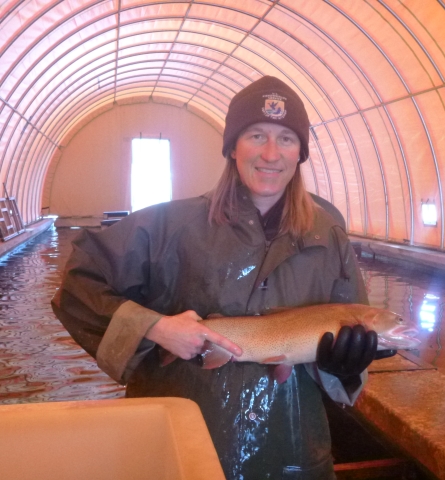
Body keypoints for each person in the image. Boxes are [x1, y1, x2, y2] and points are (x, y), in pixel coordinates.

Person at [52, 76, 390, 479]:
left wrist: (345, 364)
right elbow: (79, 283)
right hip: (189, 435)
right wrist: (155, 327)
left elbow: (350, 329)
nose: (270, 153)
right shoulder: (170, 226)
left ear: (300, 153)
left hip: (293, 449)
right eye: (256, 135)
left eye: (286, 139)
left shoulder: (327, 234)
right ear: (232, 146)